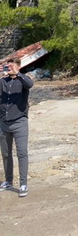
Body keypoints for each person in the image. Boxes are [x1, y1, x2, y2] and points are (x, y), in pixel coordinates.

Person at [0, 55, 32, 197]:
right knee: (6, 154)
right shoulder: (2, 81)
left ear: (18, 67)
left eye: (12, 66)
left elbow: (30, 85)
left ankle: (23, 183)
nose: (9, 68)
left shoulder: (23, 81)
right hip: (3, 122)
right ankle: (8, 180)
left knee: (21, 153)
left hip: (19, 122)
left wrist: (17, 74)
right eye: (8, 66)